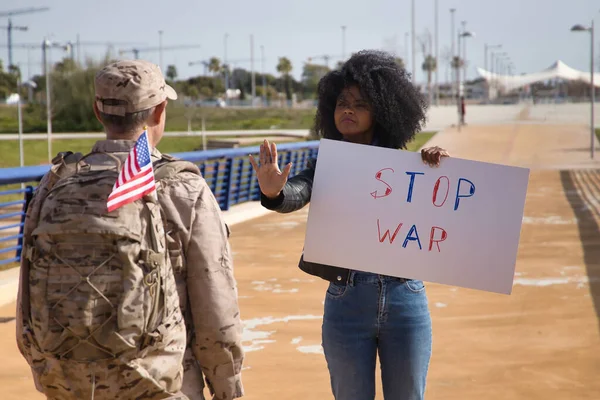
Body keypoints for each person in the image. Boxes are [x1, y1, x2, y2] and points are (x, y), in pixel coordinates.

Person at [16, 60, 244, 400]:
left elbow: (26, 300)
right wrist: (228, 388)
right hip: (162, 382)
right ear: (160, 110)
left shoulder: (56, 182)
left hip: (70, 383)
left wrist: (52, 375)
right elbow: (216, 308)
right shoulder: (182, 188)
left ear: (98, 110)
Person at [249, 50, 449, 400]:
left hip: (406, 300)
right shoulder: (326, 163)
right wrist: (274, 192)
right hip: (347, 301)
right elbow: (298, 191)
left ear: (383, 111)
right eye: (342, 103)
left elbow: (444, 208)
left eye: (360, 104)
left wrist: (439, 169)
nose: (347, 111)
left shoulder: (407, 167)